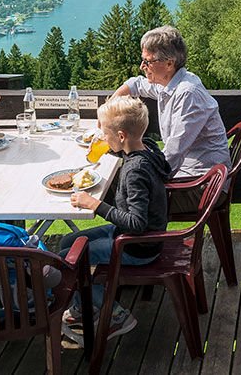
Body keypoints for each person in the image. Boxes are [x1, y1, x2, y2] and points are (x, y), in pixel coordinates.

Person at [58, 96, 171, 344]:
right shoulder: (148, 148)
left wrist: (95, 204)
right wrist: (107, 147)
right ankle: (80, 308)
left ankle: (117, 315)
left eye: (105, 133)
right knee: (67, 242)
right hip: (128, 234)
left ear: (121, 135)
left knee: (71, 259)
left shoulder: (135, 170)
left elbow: (137, 224)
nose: (102, 137)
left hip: (138, 246)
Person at [114, 26, 230, 216]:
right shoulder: (169, 83)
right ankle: (130, 240)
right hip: (189, 176)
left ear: (169, 64)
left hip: (201, 186)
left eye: (148, 61)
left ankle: (133, 243)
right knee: (124, 184)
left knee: (123, 192)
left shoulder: (187, 94)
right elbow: (137, 84)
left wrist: (140, 175)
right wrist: (112, 103)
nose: (142, 67)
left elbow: (173, 155)